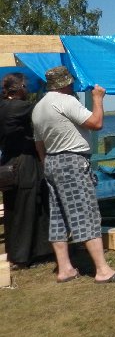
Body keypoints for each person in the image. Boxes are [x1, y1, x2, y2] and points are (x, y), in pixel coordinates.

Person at [32, 66, 115, 283]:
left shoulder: (38, 107)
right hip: (72, 161)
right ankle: (103, 271)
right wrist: (97, 99)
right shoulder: (65, 101)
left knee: (58, 216)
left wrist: (47, 164)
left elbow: (39, 143)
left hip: (51, 161)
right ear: (66, 83)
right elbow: (96, 123)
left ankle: (65, 269)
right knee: (85, 213)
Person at [0, 73, 52, 268]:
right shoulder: (20, 107)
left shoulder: (3, 106)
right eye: (25, 86)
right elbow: (42, 112)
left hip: (7, 161)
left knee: (14, 208)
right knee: (28, 206)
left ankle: (23, 251)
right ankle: (25, 254)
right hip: (24, 161)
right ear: (20, 87)